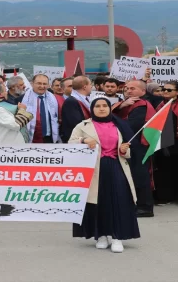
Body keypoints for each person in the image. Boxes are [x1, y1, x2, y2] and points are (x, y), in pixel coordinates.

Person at [69, 98, 140, 253]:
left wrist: (123, 150)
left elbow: (130, 151)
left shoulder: (120, 125)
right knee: (97, 202)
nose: (101, 109)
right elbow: (70, 144)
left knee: (119, 200)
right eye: (97, 106)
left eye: (104, 106)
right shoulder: (83, 126)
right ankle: (100, 235)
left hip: (116, 166)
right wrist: (83, 140)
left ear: (109, 108)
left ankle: (117, 236)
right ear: (92, 109)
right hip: (93, 169)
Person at [113, 80, 156, 217]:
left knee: (140, 175)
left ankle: (145, 207)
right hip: (132, 145)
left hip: (138, 146)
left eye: (133, 88)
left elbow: (131, 126)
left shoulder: (141, 105)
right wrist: (121, 106)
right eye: (126, 88)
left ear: (143, 92)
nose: (128, 90)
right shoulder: (129, 103)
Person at [21, 74, 61, 143]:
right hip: (31, 138)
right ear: (32, 84)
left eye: (45, 84)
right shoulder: (22, 99)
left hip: (49, 138)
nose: (42, 86)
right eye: (39, 83)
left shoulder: (54, 99)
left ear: (48, 85)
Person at [61, 76, 92, 143]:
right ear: (85, 87)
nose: (91, 87)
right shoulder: (71, 101)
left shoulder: (86, 99)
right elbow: (75, 122)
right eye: (90, 84)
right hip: (76, 139)